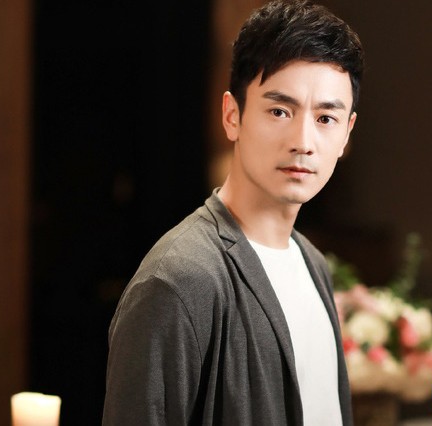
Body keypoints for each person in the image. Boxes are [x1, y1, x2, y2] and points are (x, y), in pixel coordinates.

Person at [102, 0, 364, 424]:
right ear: (232, 116)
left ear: (347, 133)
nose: (303, 141)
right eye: (279, 111)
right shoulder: (179, 280)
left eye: (325, 118)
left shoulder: (313, 264)